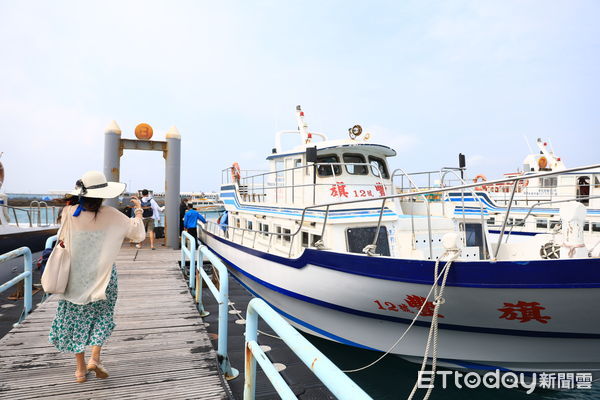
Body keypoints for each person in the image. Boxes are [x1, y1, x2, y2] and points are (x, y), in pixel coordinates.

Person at [48, 170, 145, 383]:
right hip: (104, 277)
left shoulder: (68, 212)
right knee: (103, 315)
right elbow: (138, 234)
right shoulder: (112, 215)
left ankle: (80, 370)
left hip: (74, 277)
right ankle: (96, 357)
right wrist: (138, 211)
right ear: (102, 194)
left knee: (75, 320)